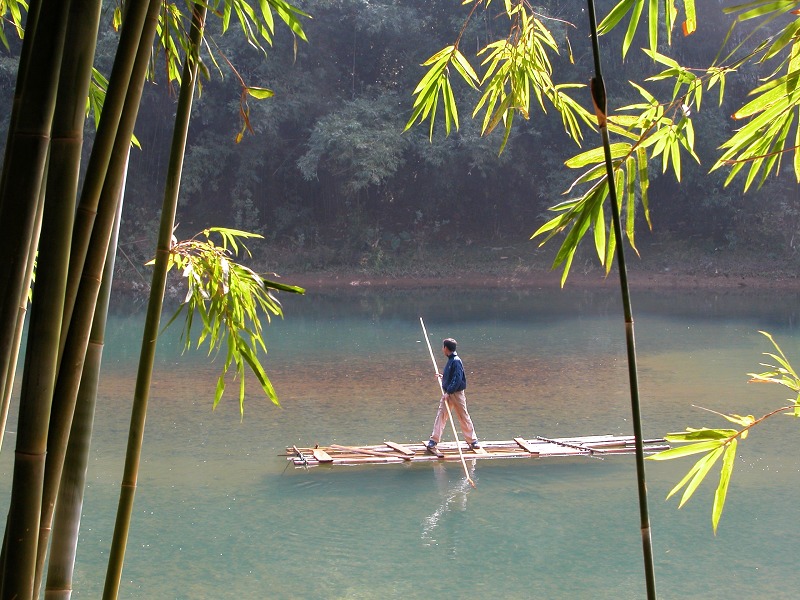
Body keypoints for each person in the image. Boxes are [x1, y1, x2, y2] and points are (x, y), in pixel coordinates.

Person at [426, 338, 480, 451]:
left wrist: (449, 392)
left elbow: (458, 378)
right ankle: (434, 440)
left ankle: (473, 441)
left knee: (463, 415)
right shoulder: (451, 360)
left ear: (446, 348)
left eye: (443, 347)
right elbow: (452, 376)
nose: (442, 349)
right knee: (441, 415)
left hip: (456, 394)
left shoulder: (456, 361)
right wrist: (443, 377)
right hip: (448, 392)